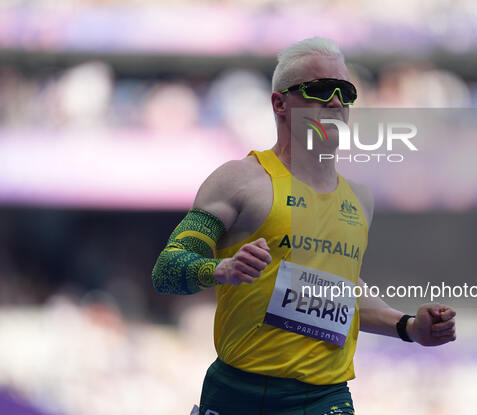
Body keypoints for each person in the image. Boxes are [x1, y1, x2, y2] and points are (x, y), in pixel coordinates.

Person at [152, 37, 456, 415]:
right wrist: (220, 269)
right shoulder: (240, 180)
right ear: (279, 104)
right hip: (238, 391)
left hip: (325, 397)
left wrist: (409, 327)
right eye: (318, 90)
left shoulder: (359, 200)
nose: (335, 102)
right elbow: (167, 270)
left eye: (345, 92)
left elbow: (340, 294)